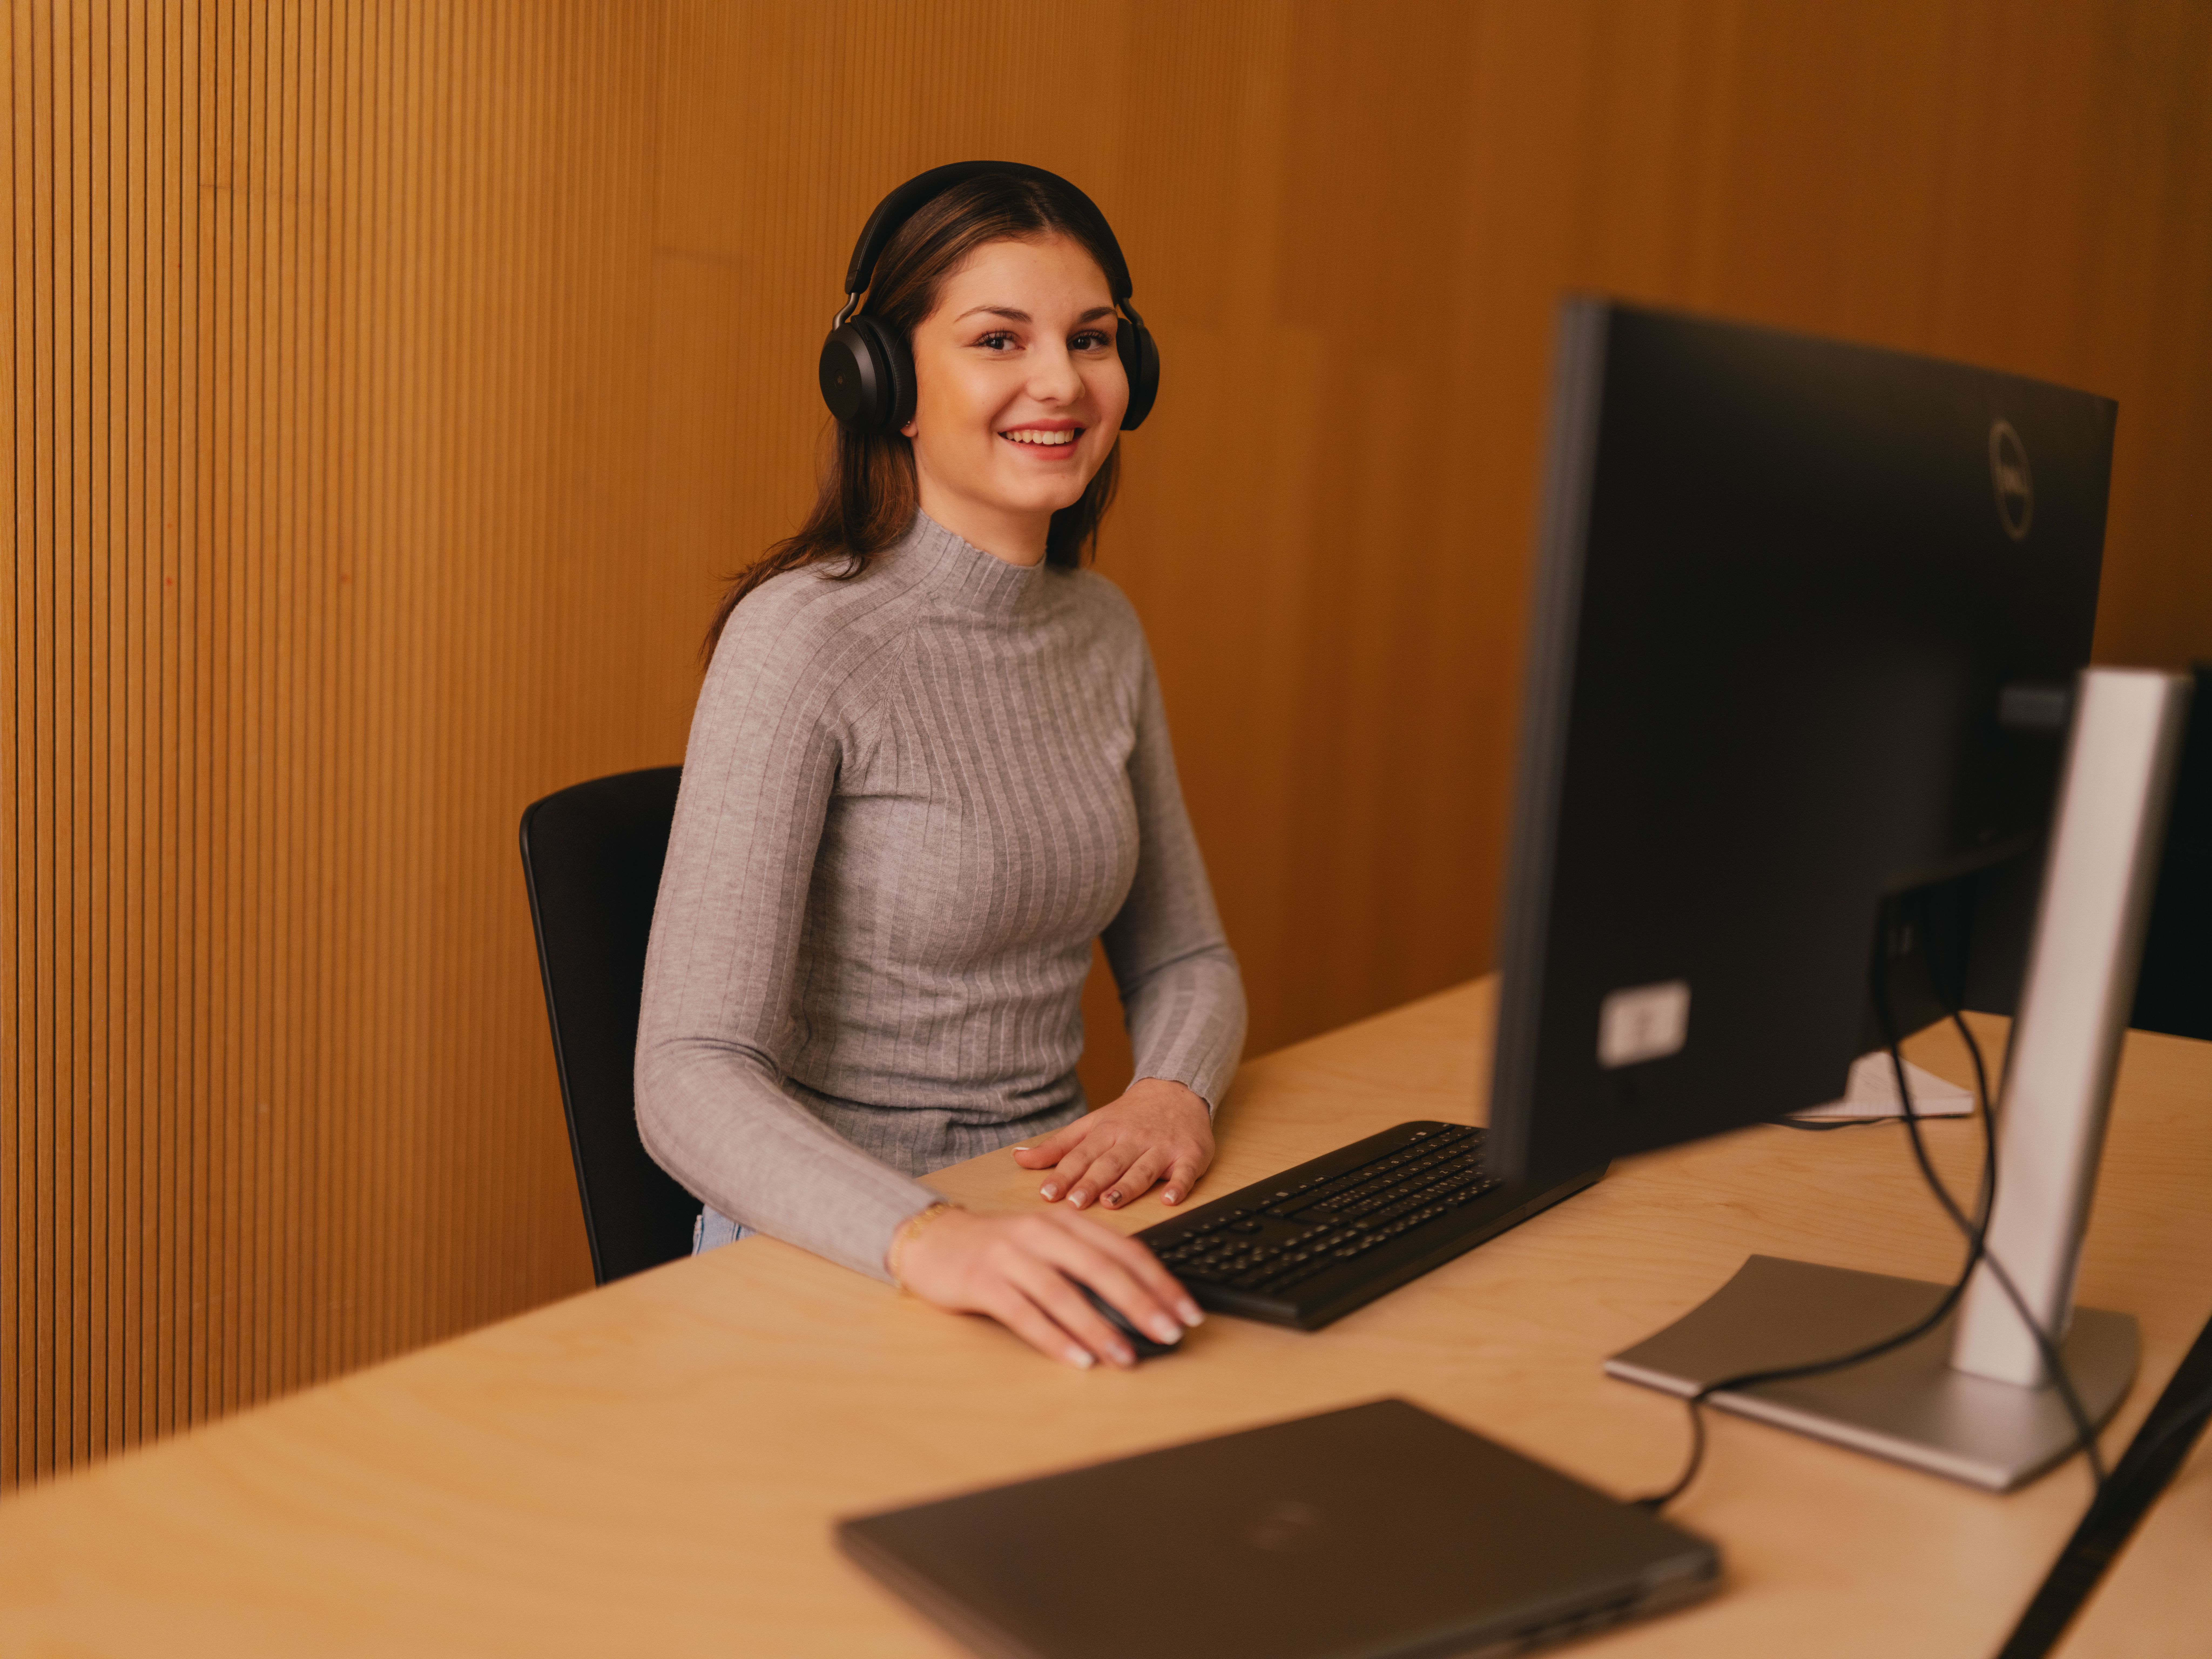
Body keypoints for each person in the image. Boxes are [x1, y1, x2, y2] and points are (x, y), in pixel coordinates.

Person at [634, 166, 1247, 1370]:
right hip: (842, 1245)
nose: (1061, 382)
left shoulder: (1101, 630)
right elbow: (685, 1078)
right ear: (888, 384)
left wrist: (1172, 1091)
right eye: (996, 340)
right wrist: (931, 1234)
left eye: (1092, 340)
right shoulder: (802, 639)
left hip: (1043, 1227)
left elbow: (1186, 957)